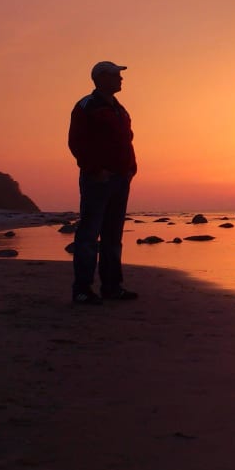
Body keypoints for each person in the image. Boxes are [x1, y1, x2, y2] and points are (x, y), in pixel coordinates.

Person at [68, 60, 139, 304]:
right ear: (101, 78)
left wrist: (131, 169)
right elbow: (76, 142)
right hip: (98, 179)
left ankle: (112, 287)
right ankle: (82, 290)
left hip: (120, 179)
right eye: (115, 75)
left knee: (112, 234)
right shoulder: (86, 106)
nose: (121, 79)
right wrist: (94, 169)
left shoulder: (120, 110)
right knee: (89, 233)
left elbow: (126, 142)